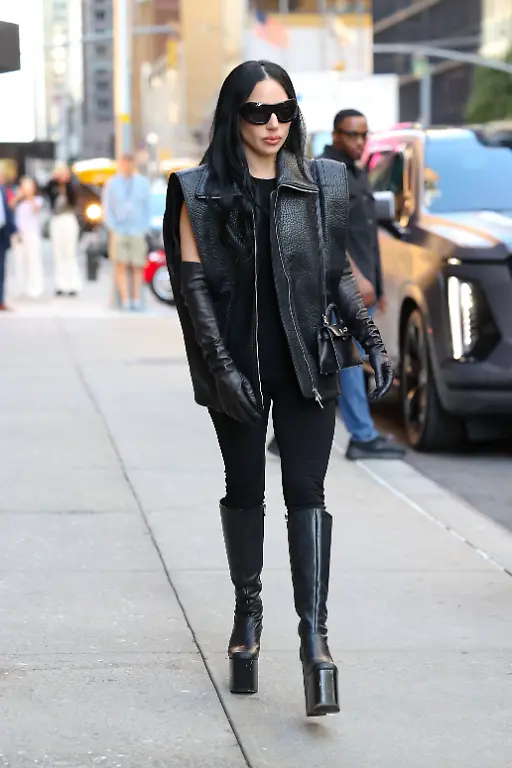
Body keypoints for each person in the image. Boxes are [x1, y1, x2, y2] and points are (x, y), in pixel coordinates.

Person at [163, 60, 394, 716]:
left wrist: (371, 340)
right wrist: (221, 369)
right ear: (232, 115)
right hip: (235, 365)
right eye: (257, 112)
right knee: (245, 492)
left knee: (307, 496)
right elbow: (194, 290)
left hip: (306, 366)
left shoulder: (322, 181)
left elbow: (334, 277)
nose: (272, 124)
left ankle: (315, 640)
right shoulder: (198, 189)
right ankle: (247, 618)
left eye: (284, 111)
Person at [318, 109, 405, 460]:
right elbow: (329, 232)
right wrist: (357, 280)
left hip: (362, 286)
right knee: (349, 361)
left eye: (363, 135)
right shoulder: (327, 170)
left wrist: (378, 287)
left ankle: (287, 434)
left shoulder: (358, 172)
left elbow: (368, 234)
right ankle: (362, 436)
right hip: (342, 286)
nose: (358, 142)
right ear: (336, 134)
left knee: (337, 359)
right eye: (351, 135)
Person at [103, 153, 151, 311]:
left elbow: (147, 207)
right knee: (121, 264)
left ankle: (136, 299)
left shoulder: (142, 183)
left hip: (137, 229)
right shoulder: (113, 183)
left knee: (137, 265)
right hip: (119, 229)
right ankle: (125, 299)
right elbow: (107, 207)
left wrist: (144, 227)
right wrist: (112, 227)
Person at [46, 164, 82, 296]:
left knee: (70, 252)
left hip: (69, 219)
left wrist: (67, 182)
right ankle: (60, 284)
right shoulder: (52, 186)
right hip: (57, 219)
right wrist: (53, 179)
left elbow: (74, 199)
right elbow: (47, 193)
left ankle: (72, 284)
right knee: (58, 253)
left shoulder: (72, 185)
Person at [12, 177, 45, 299]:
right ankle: (21, 287)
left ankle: (35, 287)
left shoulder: (37, 199)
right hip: (18, 235)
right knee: (20, 261)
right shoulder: (18, 200)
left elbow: (36, 209)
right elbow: (9, 207)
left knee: (33, 261)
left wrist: (29, 196)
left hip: (31, 233)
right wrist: (18, 197)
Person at [0, 170, 17, 311]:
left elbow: (8, 212)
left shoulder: (4, 191)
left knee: (1, 269)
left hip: (2, 235)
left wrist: (14, 230)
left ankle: (1, 301)